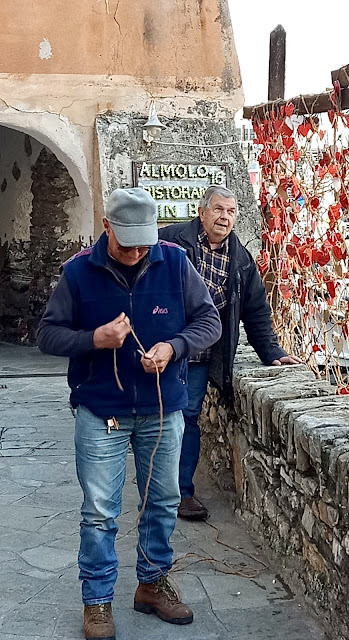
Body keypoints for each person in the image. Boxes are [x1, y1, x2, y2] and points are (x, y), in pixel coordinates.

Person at [37, 187, 221, 640]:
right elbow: (47, 334)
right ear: (106, 227)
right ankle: (97, 602)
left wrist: (173, 347)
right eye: (127, 243)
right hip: (102, 412)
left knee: (163, 503)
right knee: (100, 512)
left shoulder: (174, 262)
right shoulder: (78, 272)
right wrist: (93, 339)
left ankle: (152, 584)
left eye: (145, 242)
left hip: (162, 410)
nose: (138, 252)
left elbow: (209, 323)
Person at [158, 185, 302, 521]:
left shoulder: (240, 259)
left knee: (187, 418)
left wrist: (272, 352)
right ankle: (157, 486)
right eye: (219, 210)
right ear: (202, 211)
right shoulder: (171, 242)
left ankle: (181, 493)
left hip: (200, 355)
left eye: (231, 212)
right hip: (162, 348)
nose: (225, 217)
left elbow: (255, 310)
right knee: (158, 418)